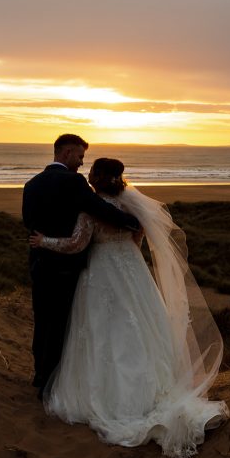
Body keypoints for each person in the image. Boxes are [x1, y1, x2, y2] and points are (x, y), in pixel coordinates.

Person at [29, 157, 228, 458]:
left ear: (97, 177)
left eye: (92, 171)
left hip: (101, 274)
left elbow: (76, 245)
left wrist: (44, 241)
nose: (87, 173)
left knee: (103, 332)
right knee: (142, 329)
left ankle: (117, 401)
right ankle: (155, 390)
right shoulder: (131, 208)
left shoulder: (91, 209)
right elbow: (138, 239)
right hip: (133, 272)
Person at [22, 134, 141, 398]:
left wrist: (41, 241)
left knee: (43, 321)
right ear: (65, 154)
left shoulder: (31, 185)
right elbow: (98, 208)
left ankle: (41, 375)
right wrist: (131, 221)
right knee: (63, 324)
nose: (81, 162)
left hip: (40, 264)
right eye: (79, 156)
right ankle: (53, 383)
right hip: (66, 266)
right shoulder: (73, 181)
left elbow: (28, 221)